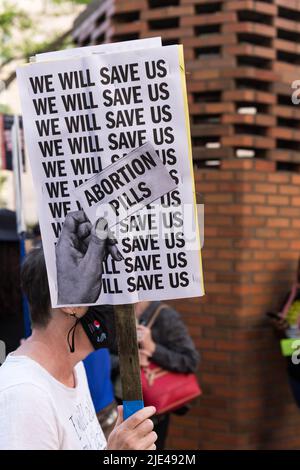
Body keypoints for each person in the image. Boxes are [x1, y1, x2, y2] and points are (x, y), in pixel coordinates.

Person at [0, 246, 157, 450]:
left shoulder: (74, 369)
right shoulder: (24, 395)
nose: (119, 303)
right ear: (70, 302)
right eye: (105, 288)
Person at [111, 301, 200, 450]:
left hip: (154, 408)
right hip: (117, 404)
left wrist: (153, 349)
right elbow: (99, 354)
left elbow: (190, 360)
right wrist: (125, 361)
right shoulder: (112, 312)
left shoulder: (165, 316)